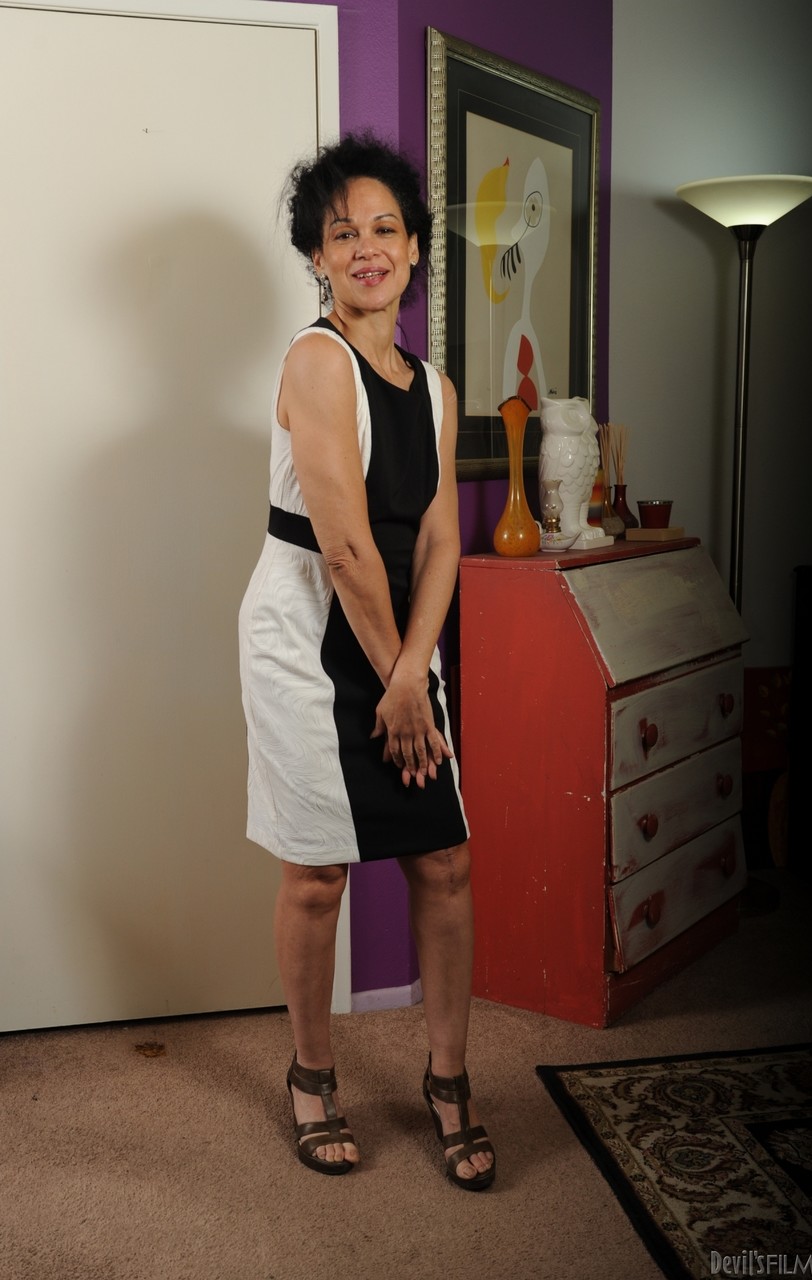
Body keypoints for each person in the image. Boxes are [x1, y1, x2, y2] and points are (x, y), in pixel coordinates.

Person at [238, 132, 495, 1190]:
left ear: (416, 248)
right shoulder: (315, 361)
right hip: (308, 635)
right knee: (316, 876)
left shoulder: (435, 387)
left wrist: (412, 674)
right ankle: (311, 1075)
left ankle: (449, 1079)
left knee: (445, 861)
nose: (367, 249)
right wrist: (405, 680)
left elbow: (438, 543)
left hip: (397, 645)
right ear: (317, 256)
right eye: (343, 234)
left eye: (386, 229)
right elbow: (344, 549)